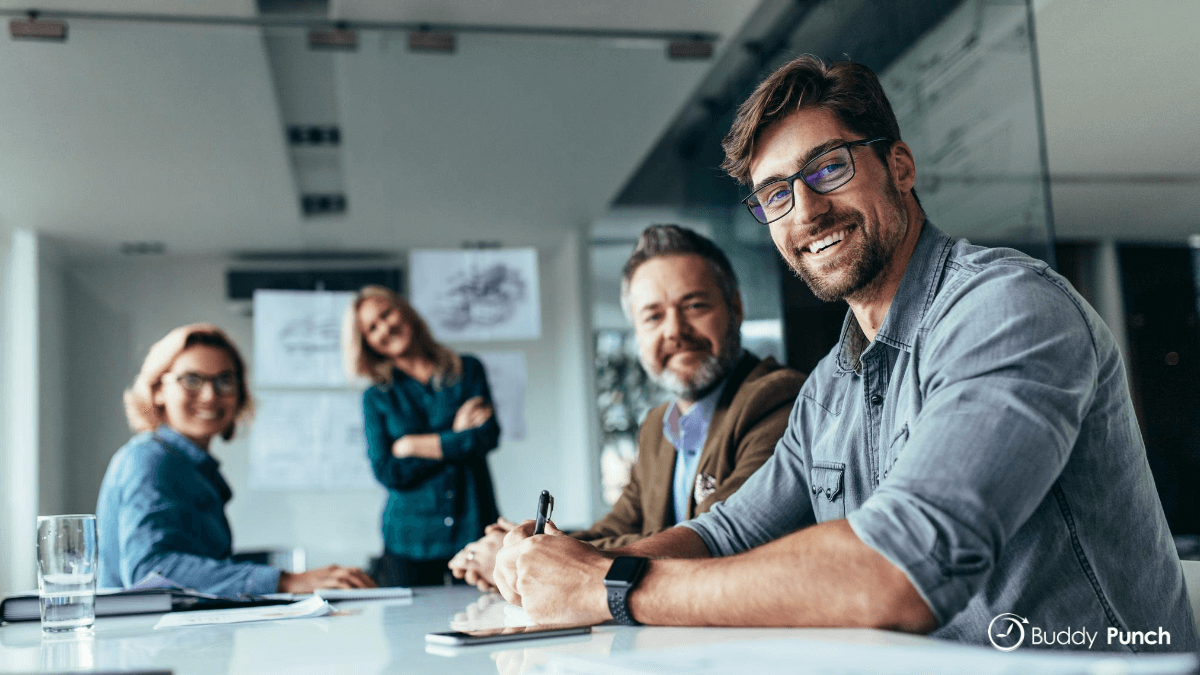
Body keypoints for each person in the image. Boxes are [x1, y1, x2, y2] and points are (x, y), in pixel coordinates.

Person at [493, 55, 1199, 652]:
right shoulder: (831, 384)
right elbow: (727, 530)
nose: (804, 211)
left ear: (899, 164)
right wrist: (573, 565)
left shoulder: (1007, 308)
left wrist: (610, 587)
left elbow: (900, 569)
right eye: (775, 194)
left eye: (827, 168)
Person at [448, 226, 805, 590]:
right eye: (653, 316)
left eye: (695, 305)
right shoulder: (657, 426)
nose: (674, 331)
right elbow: (620, 527)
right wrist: (530, 547)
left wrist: (530, 558)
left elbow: (714, 537)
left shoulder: (776, 399)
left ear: (736, 308)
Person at [97, 324, 374, 596]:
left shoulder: (190, 466)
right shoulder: (151, 461)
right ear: (158, 389)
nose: (210, 395)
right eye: (191, 380)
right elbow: (150, 571)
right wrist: (284, 581)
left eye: (225, 381)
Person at [345, 285, 501, 587]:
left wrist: (413, 445)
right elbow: (389, 471)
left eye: (386, 314)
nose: (384, 328)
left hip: (474, 527)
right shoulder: (376, 397)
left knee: (485, 621)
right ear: (366, 343)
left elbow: (486, 438)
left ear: (404, 310)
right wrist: (455, 436)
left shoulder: (467, 370)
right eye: (371, 328)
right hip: (409, 540)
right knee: (408, 631)